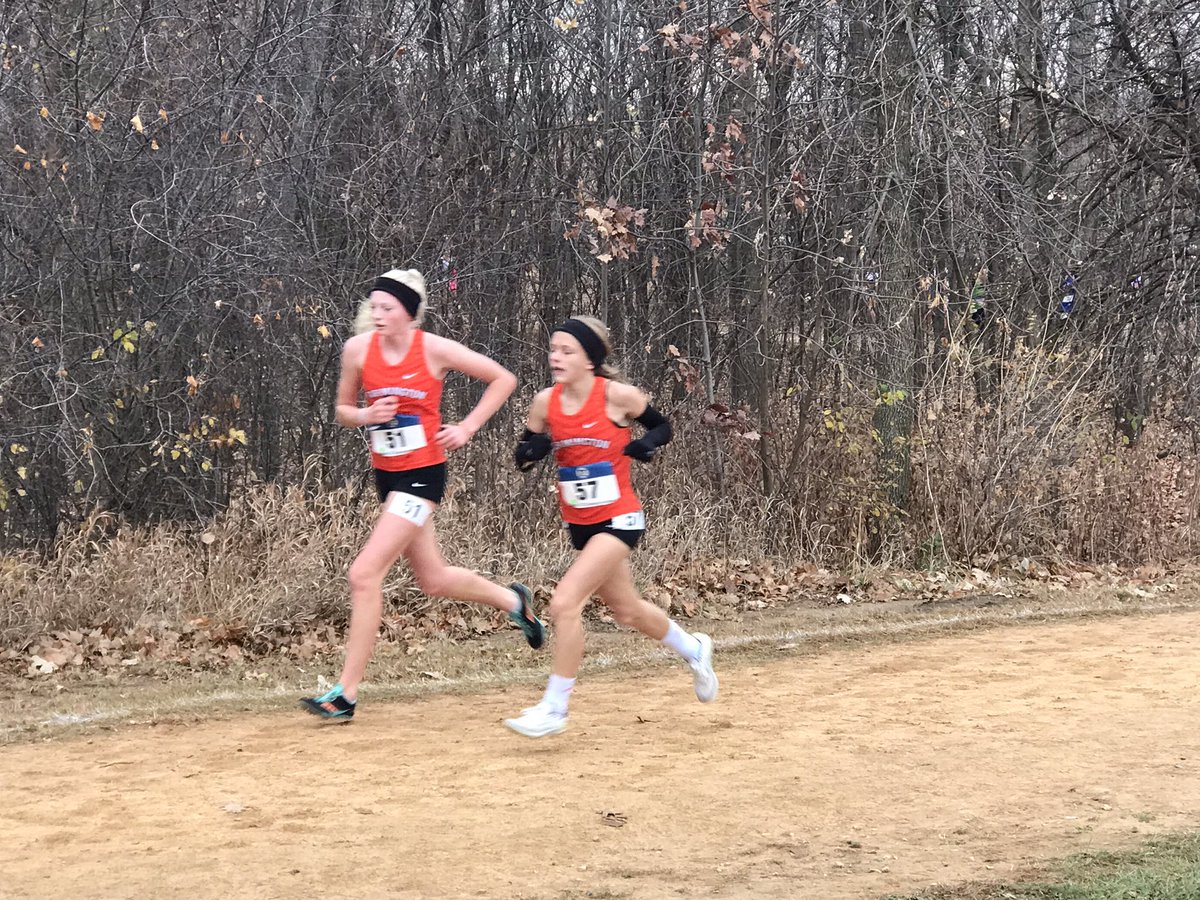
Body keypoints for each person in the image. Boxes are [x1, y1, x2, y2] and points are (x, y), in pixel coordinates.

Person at [301, 269, 544, 721]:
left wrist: (468, 426)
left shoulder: (433, 349)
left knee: (363, 574)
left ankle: (345, 695)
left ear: (409, 314)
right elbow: (341, 410)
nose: (376, 314)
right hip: (388, 476)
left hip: (423, 476)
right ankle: (516, 603)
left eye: (387, 307)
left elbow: (502, 379)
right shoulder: (357, 351)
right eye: (373, 306)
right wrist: (367, 413)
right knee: (433, 580)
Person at [503, 316, 717, 738]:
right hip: (580, 524)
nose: (556, 357)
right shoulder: (545, 402)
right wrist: (534, 448)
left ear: (590, 359)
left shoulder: (618, 396)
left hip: (621, 517)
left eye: (567, 351)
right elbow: (523, 458)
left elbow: (662, 425)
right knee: (627, 610)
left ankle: (554, 708)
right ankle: (695, 649)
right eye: (553, 349)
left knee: (564, 604)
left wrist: (646, 444)